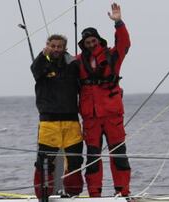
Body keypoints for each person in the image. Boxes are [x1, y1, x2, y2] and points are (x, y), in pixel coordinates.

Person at [76, 3, 131, 197]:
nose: (90, 44)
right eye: (87, 42)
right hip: (91, 118)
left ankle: (123, 193)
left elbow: (124, 44)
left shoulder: (112, 55)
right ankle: (94, 196)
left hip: (112, 115)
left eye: (93, 40)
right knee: (92, 158)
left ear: (98, 40)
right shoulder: (77, 61)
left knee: (119, 155)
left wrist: (118, 22)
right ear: (83, 44)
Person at [30, 34, 84, 198]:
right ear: (47, 45)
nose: (56, 49)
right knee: (44, 162)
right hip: (49, 121)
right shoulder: (41, 63)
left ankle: (73, 193)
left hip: (71, 120)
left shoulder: (73, 64)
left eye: (59, 46)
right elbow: (35, 70)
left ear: (64, 48)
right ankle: (43, 194)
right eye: (53, 46)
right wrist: (42, 55)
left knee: (74, 161)